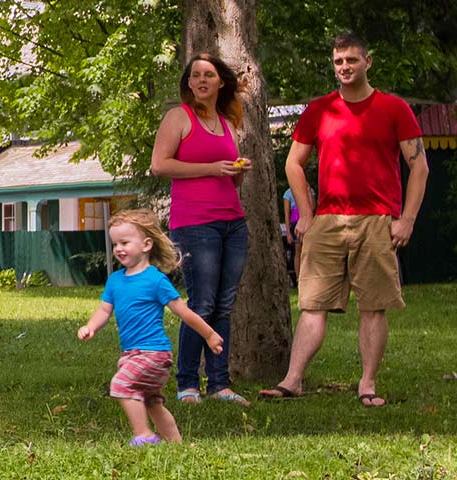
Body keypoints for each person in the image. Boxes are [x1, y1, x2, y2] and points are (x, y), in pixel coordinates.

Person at [262, 33, 428, 407]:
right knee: (312, 304)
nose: (344, 68)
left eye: (351, 60)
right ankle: (292, 380)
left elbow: (419, 167)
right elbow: (293, 164)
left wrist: (408, 220)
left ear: (367, 61)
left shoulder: (394, 108)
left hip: (376, 220)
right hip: (329, 220)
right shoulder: (319, 109)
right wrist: (307, 213)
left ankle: (367, 384)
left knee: (373, 306)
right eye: (338, 62)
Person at [145, 53, 251, 405]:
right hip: (195, 224)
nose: (202, 80)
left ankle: (219, 384)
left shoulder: (227, 122)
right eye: (195, 76)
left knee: (224, 305)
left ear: (221, 82)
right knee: (201, 304)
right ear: (189, 83)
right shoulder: (179, 117)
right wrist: (211, 168)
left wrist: (236, 172)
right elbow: (159, 165)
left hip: (232, 222)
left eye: (209, 75)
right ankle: (187, 383)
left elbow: (228, 181)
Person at [78, 210, 226, 446]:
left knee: (122, 384)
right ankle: (176, 444)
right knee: (152, 402)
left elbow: (184, 311)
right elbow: (104, 310)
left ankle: (144, 435)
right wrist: (91, 326)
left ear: (146, 244)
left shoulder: (155, 280)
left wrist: (209, 334)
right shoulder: (115, 280)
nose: (118, 249)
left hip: (153, 353)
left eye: (125, 242)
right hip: (131, 354)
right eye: (115, 243)